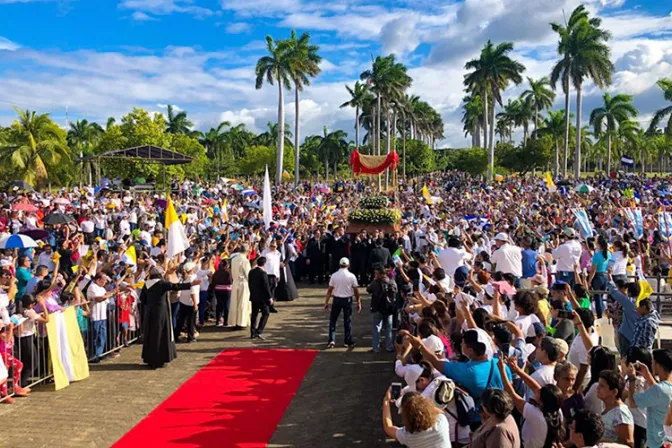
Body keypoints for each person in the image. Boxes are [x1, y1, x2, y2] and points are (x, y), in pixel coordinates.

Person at [139, 268, 200, 369]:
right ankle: (159, 359)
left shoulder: (146, 284)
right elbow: (175, 286)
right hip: (161, 312)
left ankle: (150, 359)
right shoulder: (162, 283)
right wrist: (191, 284)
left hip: (150, 312)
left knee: (151, 334)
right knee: (160, 334)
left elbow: (142, 299)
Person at [499, 355, 565, 448]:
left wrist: (502, 370)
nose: (536, 392)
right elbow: (535, 387)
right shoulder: (557, 412)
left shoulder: (535, 414)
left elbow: (512, 393)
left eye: (539, 394)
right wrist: (517, 369)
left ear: (542, 401)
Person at [629, 348, 672, 448]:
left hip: (656, 443)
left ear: (658, 365)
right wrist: (647, 375)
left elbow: (633, 403)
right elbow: (658, 392)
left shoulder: (659, 390)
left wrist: (631, 378)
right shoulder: (666, 388)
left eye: (653, 361)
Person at [382, 389, 451, 448]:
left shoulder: (408, 437)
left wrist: (386, 401)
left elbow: (388, 428)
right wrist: (420, 402)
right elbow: (438, 411)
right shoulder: (441, 421)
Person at [324, 257, 361, 348]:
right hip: (347, 300)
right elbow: (356, 290)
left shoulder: (334, 275)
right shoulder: (351, 276)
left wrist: (326, 302)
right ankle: (347, 340)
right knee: (347, 321)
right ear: (348, 265)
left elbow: (329, 290)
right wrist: (358, 301)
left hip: (337, 299)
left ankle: (331, 340)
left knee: (333, 320)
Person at [597, 370, 634, 447]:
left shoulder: (620, 413)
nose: (597, 388)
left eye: (602, 386)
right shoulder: (607, 408)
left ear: (614, 392)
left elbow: (628, 443)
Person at [367, 267, 397, 353]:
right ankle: (389, 346)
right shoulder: (391, 282)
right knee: (388, 328)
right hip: (389, 308)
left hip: (377, 307)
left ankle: (375, 347)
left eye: (376, 273)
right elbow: (396, 291)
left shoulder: (375, 283)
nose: (375, 275)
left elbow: (368, 290)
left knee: (376, 327)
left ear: (380, 274)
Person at [248, 256, 273, 340]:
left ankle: (252, 332)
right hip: (262, 298)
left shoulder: (251, 272)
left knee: (254, 314)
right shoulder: (263, 273)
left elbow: (249, 283)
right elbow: (266, 286)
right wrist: (269, 297)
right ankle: (259, 331)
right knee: (266, 313)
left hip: (254, 296)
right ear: (264, 264)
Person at [175, 262, 199, 343]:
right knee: (191, 321)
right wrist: (195, 304)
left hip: (183, 301)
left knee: (181, 320)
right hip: (190, 302)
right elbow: (193, 293)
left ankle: (176, 335)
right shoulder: (192, 278)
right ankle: (191, 337)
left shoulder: (183, 278)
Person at [229, 244, 252, 330]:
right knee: (242, 303)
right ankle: (241, 322)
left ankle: (234, 322)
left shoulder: (234, 259)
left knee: (234, 303)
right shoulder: (245, 261)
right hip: (243, 283)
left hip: (235, 282)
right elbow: (248, 274)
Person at [211, 259, 232, 327]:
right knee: (226, 306)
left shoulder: (216, 272)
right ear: (227, 265)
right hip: (227, 290)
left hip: (218, 290)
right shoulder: (228, 272)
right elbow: (230, 281)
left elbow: (213, 282)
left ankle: (218, 321)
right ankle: (226, 322)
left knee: (219, 305)